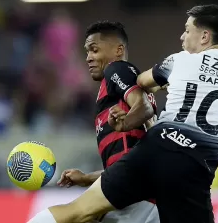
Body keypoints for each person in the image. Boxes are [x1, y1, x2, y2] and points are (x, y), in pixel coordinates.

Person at [27, 4, 218, 223]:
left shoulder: (181, 60)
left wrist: (159, 92)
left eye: (187, 31)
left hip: (156, 150)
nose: (182, 37)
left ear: (205, 37)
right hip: (195, 171)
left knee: (78, 212)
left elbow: (142, 82)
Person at [27, 21, 159, 223]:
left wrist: (125, 123)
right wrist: (86, 178)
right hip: (145, 194)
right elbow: (126, 156)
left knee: (64, 216)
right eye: (87, 51)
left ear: (118, 50)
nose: (88, 58)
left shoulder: (117, 70)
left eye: (94, 50)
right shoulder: (119, 89)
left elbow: (144, 109)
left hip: (135, 184)